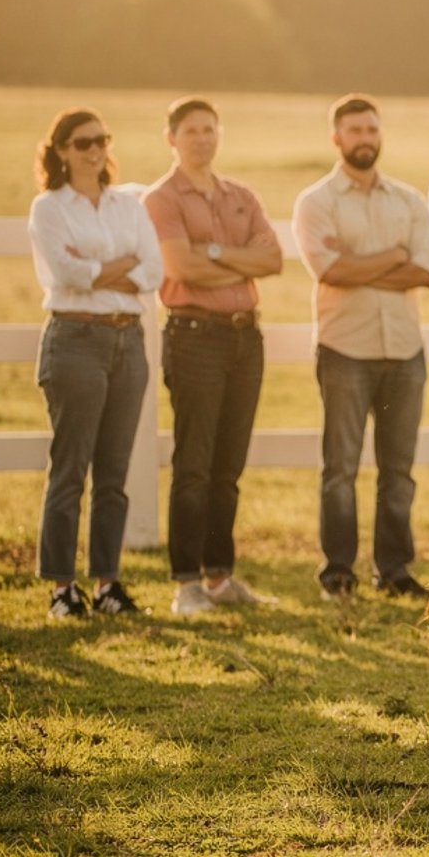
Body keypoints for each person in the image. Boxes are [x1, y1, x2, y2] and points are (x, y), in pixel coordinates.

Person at [293, 94, 429, 601]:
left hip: (404, 353)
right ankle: (337, 571)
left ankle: (394, 570)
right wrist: (392, 259)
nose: (365, 139)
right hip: (344, 351)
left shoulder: (408, 200)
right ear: (337, 138)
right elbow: (328, 271)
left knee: (398, 472)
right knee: (341, 469)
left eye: (371, 130)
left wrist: (361, 263)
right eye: (354, 131)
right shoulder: (317, 201)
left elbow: (426, 270)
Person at [143, 98, 284, 615]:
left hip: (246, 339)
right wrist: (235, 264)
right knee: (194, 463)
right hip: (195, 336)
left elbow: (273, 259)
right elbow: (180, 267)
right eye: (190, 130)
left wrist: (217, 255)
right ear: (172, 138)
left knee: (229, 466)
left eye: (208, 129)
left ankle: (220, 576)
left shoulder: (240, 195)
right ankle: (187, 583)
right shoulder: (162, 199)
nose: (201, 138)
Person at [28, 108, 162, 617]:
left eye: (100, 140)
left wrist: (103, 271)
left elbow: (153, 269)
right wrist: (119, 267)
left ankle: (108, 583)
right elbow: (65, 274)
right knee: (70, 467)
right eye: (82, 142)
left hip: (127, 342)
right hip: (76, 339)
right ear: (61, 149)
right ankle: (63, 587)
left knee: (114, 471)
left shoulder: (128, 206)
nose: (93, 150)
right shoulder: (49, 208)